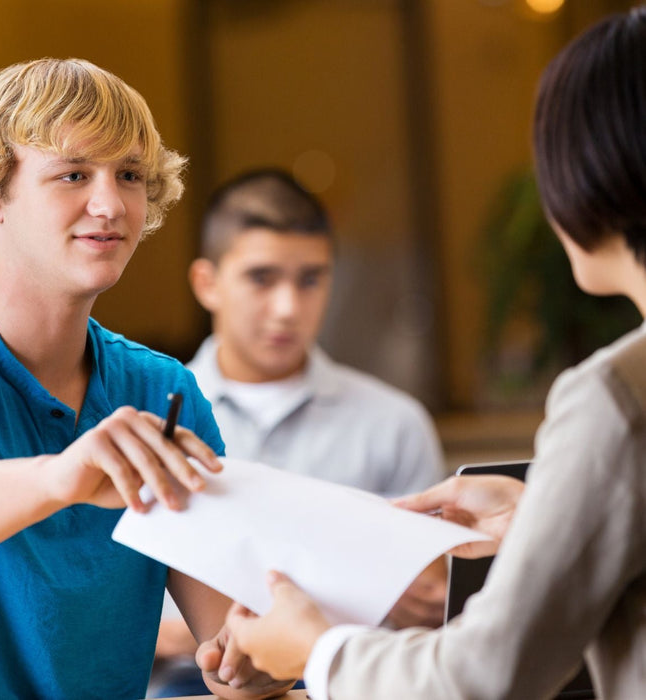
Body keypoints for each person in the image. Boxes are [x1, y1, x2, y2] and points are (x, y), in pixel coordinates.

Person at [216, 8, 646, 699]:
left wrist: (315, 650)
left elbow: (482, 677)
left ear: (591, 171)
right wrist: (541, 512)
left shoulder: (616, 397)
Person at [0, 58, 292, 700]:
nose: (109, 204)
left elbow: (234, 658)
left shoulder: (164, 390)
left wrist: (255, 657)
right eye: (73, 173)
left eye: (129, 175)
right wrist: (61, 477)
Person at [149, 167, 447, 696]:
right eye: (262, 278)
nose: (288, 307)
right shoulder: (147, 420)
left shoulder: (395, 424)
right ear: (207, 283)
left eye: (310, 279)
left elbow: (436, 615)